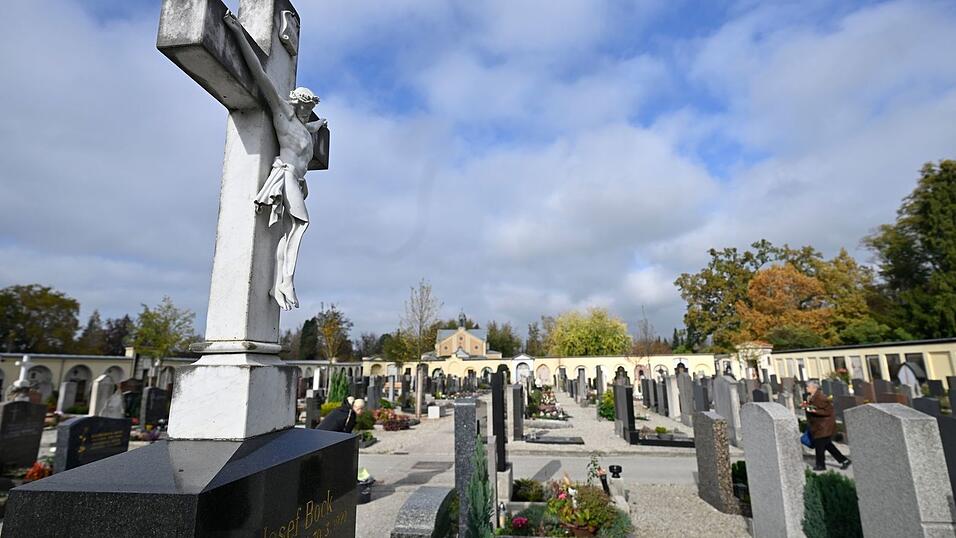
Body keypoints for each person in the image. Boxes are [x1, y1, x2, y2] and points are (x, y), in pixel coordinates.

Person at [223, 10, 327, 311]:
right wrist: (237, 32)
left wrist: (319, 125)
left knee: (289, 231)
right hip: (286, 174)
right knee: (301, 223)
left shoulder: (304, 127)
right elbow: (260, 74)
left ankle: (278, 282)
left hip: (298, 181)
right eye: (305, 106)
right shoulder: (283, 114)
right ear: (296, 102)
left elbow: (310, 130)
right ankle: (285, 282)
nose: (308, 111)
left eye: (310, 107)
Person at [803, 380, 851, 471]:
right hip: (818, 426)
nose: (806, 388)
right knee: (828, 445)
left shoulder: (821, 397)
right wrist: (806, 406)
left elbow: (828, 411)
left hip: (823, 426)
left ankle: (820, 465)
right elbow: (813, 408)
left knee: (819, 446)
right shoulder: (811, 396)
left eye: (808, 387)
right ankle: (844, 460)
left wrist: (812, 410)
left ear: (814, 388)